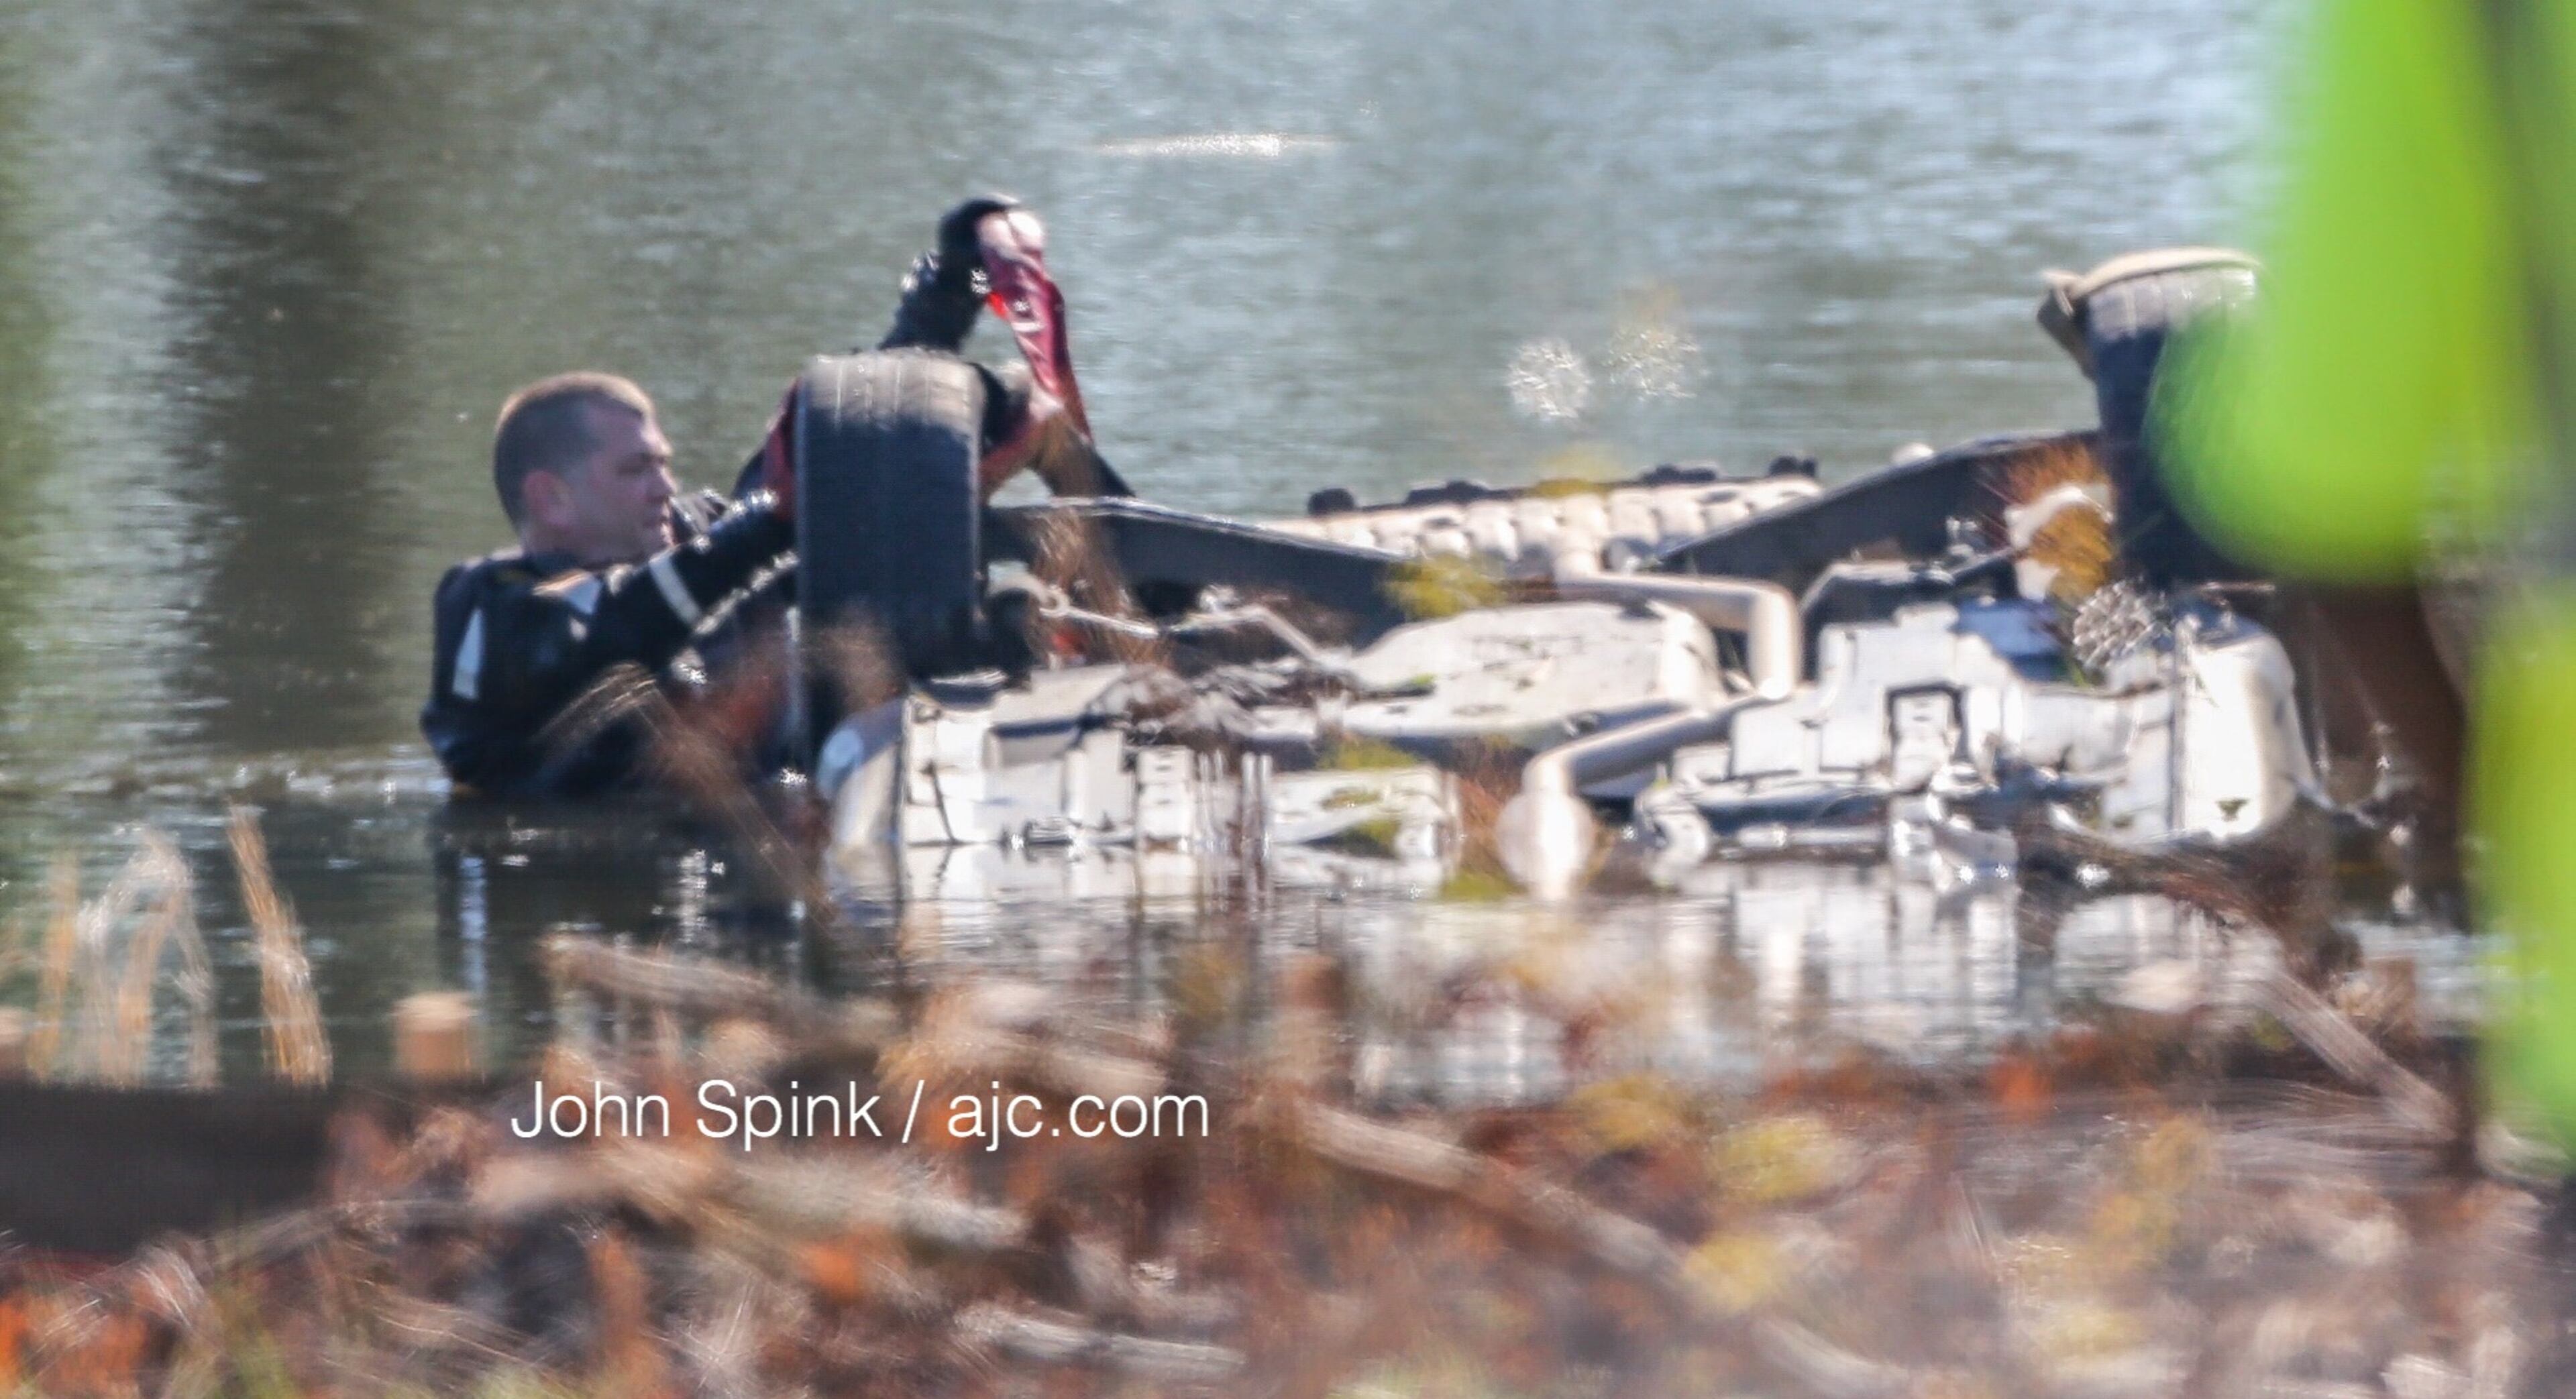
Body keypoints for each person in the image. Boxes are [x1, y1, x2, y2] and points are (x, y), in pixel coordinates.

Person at [423, 197, 1032, 799]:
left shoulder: (701, 540)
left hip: (775, 833)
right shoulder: (489, 610)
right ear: (551, 499)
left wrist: (953, 294)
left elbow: (852, 443)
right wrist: (767, 524)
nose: (663, 487)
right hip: (626, 865)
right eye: (635, 470)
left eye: (663, 463)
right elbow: (611, 625)